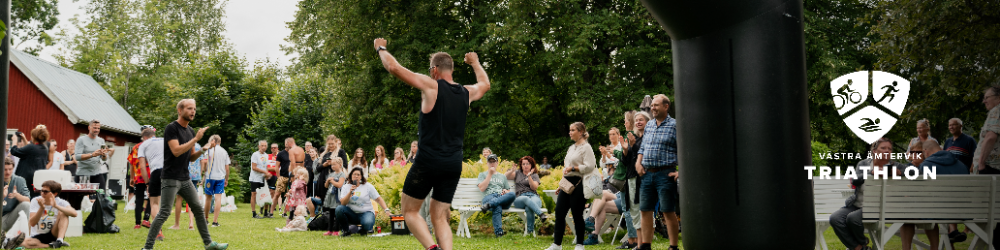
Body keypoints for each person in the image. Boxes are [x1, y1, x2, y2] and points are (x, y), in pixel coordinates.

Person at [375, 37, 490, 250]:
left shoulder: (432, 86)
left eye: (430, 70)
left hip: (428, 162)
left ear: (435, 70)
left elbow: (393, 67)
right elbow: (485, 84)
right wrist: (475, 63)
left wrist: (380, 48)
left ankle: (432, 248)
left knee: (409, 211)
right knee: (440, 217)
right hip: (453, 164)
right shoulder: (466, 93)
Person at [142, 99, 226, 250]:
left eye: (194, 108)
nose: (193, 111)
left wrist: (204, 148)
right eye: (189, 108)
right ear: (180, 110)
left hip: (185, 178)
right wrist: (196, 139)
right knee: (164, 212)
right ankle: (147, 247)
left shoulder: (191, 131)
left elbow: (192, 157)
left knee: (198, 210)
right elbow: (176, 151)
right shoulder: (171, 128)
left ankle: (209, 244)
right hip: (170, 177)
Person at [832, 137, 904, 250]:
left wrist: (900, 172)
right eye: (883, 148)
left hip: (878, 208)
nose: (887, 151)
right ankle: (860, 247)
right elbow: (855, 180)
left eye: (889, 149)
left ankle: (861, 244)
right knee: (835, 218)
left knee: (852, 218)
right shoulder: (864, 164)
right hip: (857, 204)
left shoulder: (895, 166)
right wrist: (871, 173)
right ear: (875, 151)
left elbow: (916, 171)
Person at [635, 94, 679, 250]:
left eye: (656, 105)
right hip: (647, 174)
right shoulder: (650, 125)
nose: (652, 108)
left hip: (665, 174)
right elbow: (643, 147)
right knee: (645, 210)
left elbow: (685, 149)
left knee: (668, 211)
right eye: (652, 105)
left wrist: (680, 172)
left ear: (666, 106)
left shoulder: (675, 125)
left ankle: (673, 246)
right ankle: (646, 245)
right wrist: (638, 161)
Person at [545, 122, 596, 250]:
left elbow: (590, 166)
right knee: (559, 212)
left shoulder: (586, 147)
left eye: (573, 130)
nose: (570, 132)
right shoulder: (571, 148)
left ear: (581, 132)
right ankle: (557, 244)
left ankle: (580, 244)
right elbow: (566, 169)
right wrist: (561, 184)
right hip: (567, 183)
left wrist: (574, 167)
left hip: (580, 183)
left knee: (577, 214)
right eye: (570, 130)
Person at [616, 111, 648, 249]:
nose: (638, 122)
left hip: (641, 178)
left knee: (642, 212)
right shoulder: (633, 138)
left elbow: (643, 157)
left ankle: (641, 243)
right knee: (634, 211)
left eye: (641, 120)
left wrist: (632, 146)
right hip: (630, 178)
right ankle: (639, 244)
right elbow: (627, 161)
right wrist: (625, 150)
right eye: (637, 120)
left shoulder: (646, 138)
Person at [336, 167, 391, 237]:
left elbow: (378, 199)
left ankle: (363, 229)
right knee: (339, 209)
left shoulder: (368, 186)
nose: (356, 176)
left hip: (366, 213)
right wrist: (350, 192)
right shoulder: (346, 187)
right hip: (352, 214)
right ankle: (346, 231)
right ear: (351, 176)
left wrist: (386, 209)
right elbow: (343, 203)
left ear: (361, 177)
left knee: (367, 222)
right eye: (354, 174)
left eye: (358, 175)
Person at [20, 181, 75, 249]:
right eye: (41, 191)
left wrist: (56, 206)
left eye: (45, 191)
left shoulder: (61, 202)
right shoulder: (35, 200)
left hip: (53, 233)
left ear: (54, 194)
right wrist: (41, 208)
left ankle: (59, 241)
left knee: (63, 212)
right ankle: (53, 245)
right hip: (38, 235)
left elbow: (74, 213)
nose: (42, 193)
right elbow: (32, 223)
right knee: (21, 243)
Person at [137, 127, 166, 240]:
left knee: (154, 203)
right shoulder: (165, 140)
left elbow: (143, 166)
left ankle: (158, 231)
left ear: (144, 137)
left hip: (156, 171)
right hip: (170, 171)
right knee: (165, 204)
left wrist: (147, 183)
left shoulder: (143, 145)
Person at [477, 154, 516, 237]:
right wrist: (490, 174)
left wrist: (506, 191)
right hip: (488, 197)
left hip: (500, 198)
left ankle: (489, 205)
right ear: (487, 163)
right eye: (490, 161)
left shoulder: (502, 176)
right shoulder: (482, 175)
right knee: (497, 206)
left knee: (512, 194)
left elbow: (508, 190)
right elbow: (482, 188)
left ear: (497, 163)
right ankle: (499, 233)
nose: (492, 163)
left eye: (494, 161)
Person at [506, 156, 545, 235]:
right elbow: (505, 176)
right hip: (520, 198)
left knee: (529, 207)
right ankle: (541, 214)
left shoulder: (535, 175)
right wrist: (512, 170)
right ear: (521, 165)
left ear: (531, 165)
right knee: (525, 199)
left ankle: (529, 232)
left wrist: (529, 176)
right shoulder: (517, 173)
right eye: (523, 164)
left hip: (533, 196)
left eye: (527, 164)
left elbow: (534, 188)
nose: (525, 165)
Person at [11, 125, 52, 197]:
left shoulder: (31, 147)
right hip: (36, 178)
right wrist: (24, 139)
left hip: (26, 178)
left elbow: (14, 151)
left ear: (34, 137)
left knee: (24, 197)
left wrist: (14, 141)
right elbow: (29, 151)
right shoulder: (44, 148)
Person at [170, 142, 203, 230]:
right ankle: (191, 223)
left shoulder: (183, 144)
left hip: (183, 174)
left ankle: (177, 224)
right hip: (195, 175)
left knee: (179, 198)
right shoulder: (198, 146)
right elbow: (202, 161)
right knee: (192, 199)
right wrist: (200, 174)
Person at [75, 120, 115, 190]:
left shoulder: (101, 140)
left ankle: (99, 201)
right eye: (94, 128)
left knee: (102, 194)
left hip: (97, 172)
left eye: (98, 128)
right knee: (78, 197)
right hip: (83, 173)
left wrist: (104, 155)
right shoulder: (81, 140)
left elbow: (104, 159)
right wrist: (92, 154)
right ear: (89, 128)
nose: (96, 130)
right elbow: (77, 157)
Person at [202, 135, 230, 227]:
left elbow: (205, 161)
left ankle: (206, 219)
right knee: (218, 198)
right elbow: (227, 168)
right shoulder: (224, 151)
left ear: (212, 141)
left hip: (210, 177)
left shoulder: (209, 150)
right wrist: (226, 179)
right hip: (220, 177)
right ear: (220, 141)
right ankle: (215, 221)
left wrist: (204, 171)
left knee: (208, 199)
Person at [129, 129, 153, 229]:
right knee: (152, 198)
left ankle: (137, 223)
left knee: (138, 199)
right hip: (150, 175)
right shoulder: (152, 146)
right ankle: (146, 220)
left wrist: (131, 177)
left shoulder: (135, 147)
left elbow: (131, 162)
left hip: (138, 176)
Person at [2, 157, 30, 233]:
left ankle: (21, 236)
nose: (7, 172)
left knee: (26, 205)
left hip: (10, 217)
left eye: (10, 169)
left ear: (13, 168)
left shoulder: (20, 180)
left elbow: (28, 200)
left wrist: (17, 195)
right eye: (4, 169)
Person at [322, 157, 346, 236]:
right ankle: (330, 230)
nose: (332, 166)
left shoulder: (342, 174)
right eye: (332, 165)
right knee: (331, 214)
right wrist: (328, 181)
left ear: (340, 165)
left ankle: (336, 230)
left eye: (334, 165)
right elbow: (326, 186)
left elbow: (339, 185)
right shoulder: (331, 174)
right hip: (330, 196)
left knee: (337, 214)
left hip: (337, 197)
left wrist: (331, 180)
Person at [249, 140, 270, 219]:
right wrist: (264, 171)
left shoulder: (266, 156)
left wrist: (267, 174)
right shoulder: (255, 155)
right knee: (254, 194)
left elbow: (267, 166)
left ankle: (265, 212)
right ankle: (254, 213)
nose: (263, 147)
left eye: (265, 146)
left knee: (265, 194)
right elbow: (254, 168)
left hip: (263, 178)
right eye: (262, 146)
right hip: (255, 178)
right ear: (259, 146)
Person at [275, 142, 292, 216]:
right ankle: (271, 211)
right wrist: (278, 177)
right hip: (282, 176)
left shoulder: (294, 153)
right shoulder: (281, 154)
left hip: (291, 178)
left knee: (290, 195)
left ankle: (284, 213)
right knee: (277, 194)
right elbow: (277, 166)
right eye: (286, 143)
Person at [265, 143, 280, 218]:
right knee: (266, 192)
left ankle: (271, 210)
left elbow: (276, 168)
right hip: (267, 176)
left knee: (272, 192)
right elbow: (265, 166)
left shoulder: (279, 156)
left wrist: (270, 168)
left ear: (277, 148)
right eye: (272, 148)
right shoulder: (268, 156)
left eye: (275, 148)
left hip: (275, 176)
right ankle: (264, 210)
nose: (273, 149)